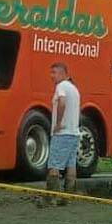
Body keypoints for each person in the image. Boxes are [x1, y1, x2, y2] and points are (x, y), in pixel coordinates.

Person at [47, 62, 81, 193]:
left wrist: (58, 124)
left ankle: (52, 196)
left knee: (54, 165)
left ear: (62, 73)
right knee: (71, 165)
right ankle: (69, 195)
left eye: (54, 73)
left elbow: (61, 102)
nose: (52, 76)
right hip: (74, 133)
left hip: (62, 133)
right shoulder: (74, 89)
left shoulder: (61, 86)